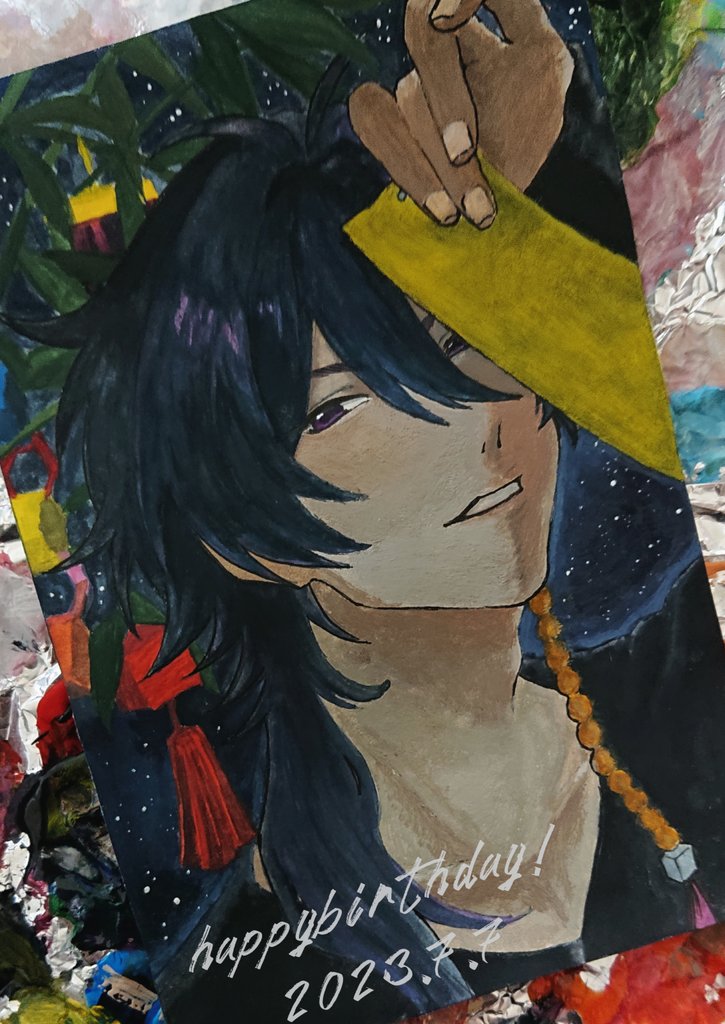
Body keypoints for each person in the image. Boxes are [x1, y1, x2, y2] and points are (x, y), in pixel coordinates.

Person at [8, 0, 725, 1021]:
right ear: (236, 533)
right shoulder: (255, 950)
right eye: (340, 406)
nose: (470, 423)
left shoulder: (657, 701)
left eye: (465, 337)